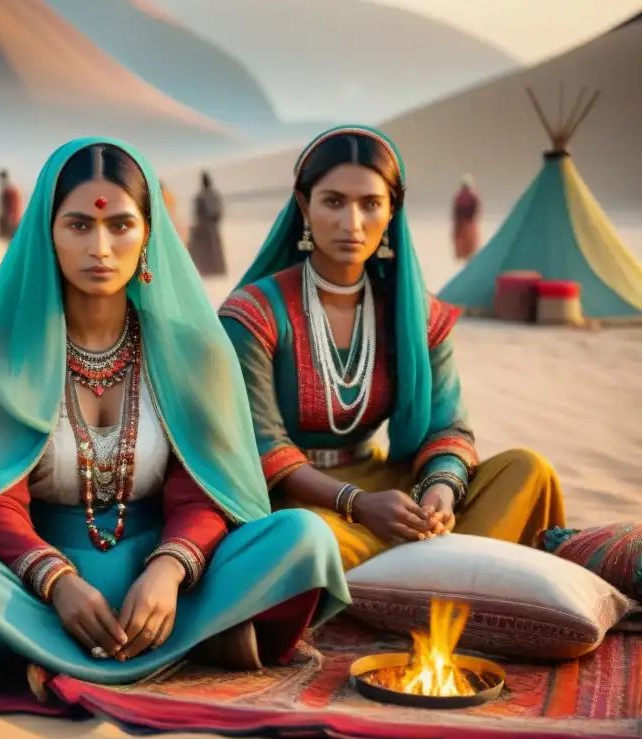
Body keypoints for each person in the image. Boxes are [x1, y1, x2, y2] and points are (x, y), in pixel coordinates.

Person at [0, 137, 349, 689]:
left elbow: (205, 488)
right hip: (35, 583)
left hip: (171, 581)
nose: (102, 248)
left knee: (306, 537)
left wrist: (168, 570)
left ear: (148, 233)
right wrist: (56, 580)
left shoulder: (192, 349)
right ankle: (195, 643)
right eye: (79, 225)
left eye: (120, 226)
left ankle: (43, 656)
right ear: (48, 233)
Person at [219, 125, 566, 571]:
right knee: (301, 538)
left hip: (387, 484)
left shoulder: (415, 314)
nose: (352, 223)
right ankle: (445, 574)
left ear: (392, 211)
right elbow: (261, 447)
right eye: (333, 202)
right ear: (304, 206)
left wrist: (441, 493)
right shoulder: (255, 313)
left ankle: (417, 570)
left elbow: (447, 427)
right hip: (296, 496)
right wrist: (358, 505)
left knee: (527, 471)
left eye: (370, 204)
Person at [188, 170, 227, 276]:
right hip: (213, 227)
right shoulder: (215, 195)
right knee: (215, 248)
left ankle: (207, 270)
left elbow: (197, 213)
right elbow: (219, 211)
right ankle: (217, 270)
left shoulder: (200, 196)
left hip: (205, 227)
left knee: (204, 248)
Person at [452, 174, 481, 261]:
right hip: (463, 221)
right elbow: (456, 209)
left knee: (470, 239)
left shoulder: (471, 195)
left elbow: (476, 207)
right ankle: (464, 255)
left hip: (468, 221)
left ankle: (469, 254)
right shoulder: (460, 195)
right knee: (463, 240)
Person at [0, 169, 22, 241]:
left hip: (11, 222)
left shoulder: (8, 191)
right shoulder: (11, 190)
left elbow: (9, 209)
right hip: (13, 221)